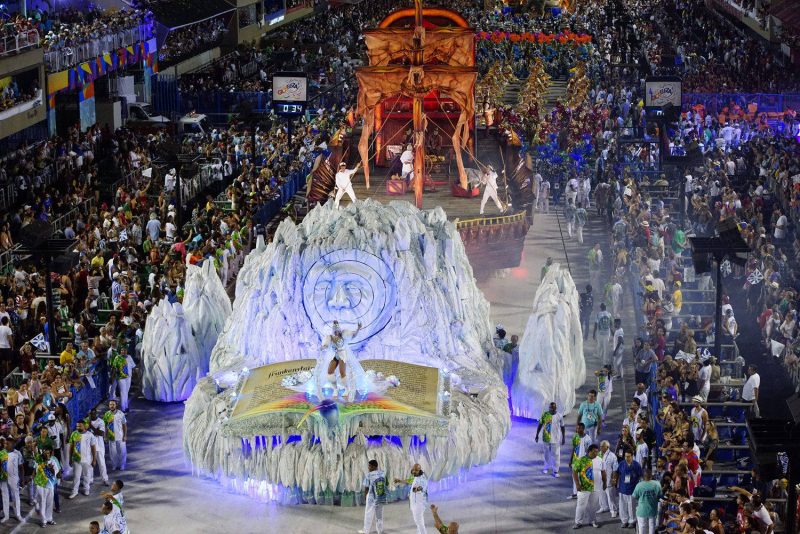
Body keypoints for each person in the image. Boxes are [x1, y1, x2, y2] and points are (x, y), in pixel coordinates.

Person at [572, 443, 601, 529]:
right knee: (581, 505)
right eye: (595, 452)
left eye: (597, 451)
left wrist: (604, 481)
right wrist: (577, 484)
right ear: (589, 451)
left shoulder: (599, 459)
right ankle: (578, 522)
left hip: (596, 487)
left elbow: (603, 471)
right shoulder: (581, 460)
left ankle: (592, 521)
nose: (596, 453)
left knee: (594, 506)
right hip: (584, 488)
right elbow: (574, 471)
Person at [394, 464, 427, 534]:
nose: (414, 471)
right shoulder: (415, 477)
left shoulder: (422, 478)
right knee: (418, 522)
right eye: (413, 470)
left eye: (416, 470)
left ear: (419, 470)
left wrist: (417, 489)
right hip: (414, 504)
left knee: (419, 522)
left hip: (419, 504)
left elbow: (423, 487)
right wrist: (399, 481)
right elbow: (408, 481)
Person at [68, 419, 96, 499]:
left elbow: (93, 448)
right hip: (76, 460)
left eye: (79, 426)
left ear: (84, 426)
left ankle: (86, 489)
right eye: (77, 426)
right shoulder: (74, 434)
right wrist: (70, 459)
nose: (78, 427)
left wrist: (94, 459)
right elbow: (71, 447)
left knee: (87, 475)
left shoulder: (90, 435)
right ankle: (74, 491)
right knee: (76, 476)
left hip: (87, 459)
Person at [535, 402, 565, 477]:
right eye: (550, 407)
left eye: (552, 408)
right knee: (546, 454)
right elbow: (540, 424)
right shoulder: (545, 414)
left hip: (556, 438)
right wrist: (537, 435)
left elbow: (562, 427)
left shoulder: (559, 416)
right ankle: (546, 467)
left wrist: (563, 437)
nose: (551, 409)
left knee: (556, 454)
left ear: (555, 408)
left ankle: (555, 471)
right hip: (546, 438)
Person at [34, 447, 60, 527]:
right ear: (43, 453)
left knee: (50, 503)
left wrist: (51, 469)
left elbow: (55, 472)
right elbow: (35, 470)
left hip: (50, 485)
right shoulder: (39, 461)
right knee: (42, 502)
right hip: (41, 485)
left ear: (51, 453)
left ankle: (49, 519)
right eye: (45, 453)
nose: (47, 455)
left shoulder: (53, 462)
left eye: (48, 453)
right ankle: (43, 521)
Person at [616, 450, 642, 529]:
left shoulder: (636, 465)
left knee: (632, 506)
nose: (627, 458)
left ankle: (632, 521)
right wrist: (615, 482)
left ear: (632, 456)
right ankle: (624, 521)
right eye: (625, 456)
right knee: (622, 506)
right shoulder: (621, 464)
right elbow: (617, 473)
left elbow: (641, 476)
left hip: (632, 489)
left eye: (628, 456)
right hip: (623, 489)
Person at [359, 459, 386, 534]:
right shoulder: (382, 473)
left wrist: (365, 496)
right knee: (379, 515)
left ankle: (366, 531)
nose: (368, 468)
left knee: (368, 514)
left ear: (374, 466)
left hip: (371, 497)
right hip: (381, 497)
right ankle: (380, 530)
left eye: (370, 466)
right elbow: (385, 484)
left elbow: (366, 487)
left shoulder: (369, 475)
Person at [631, 470, 662, 534]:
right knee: (652, 526)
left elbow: (635, 496)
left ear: (643, 477)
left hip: (642, 510)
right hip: (653, 510)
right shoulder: (657, 484)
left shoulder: (639, 485)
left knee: (642, 527)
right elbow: (660, 496)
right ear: (651, 476)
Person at [1, 437, 23, 523]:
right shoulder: (1, 453)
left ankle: (18, 515)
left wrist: (22, 479)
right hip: (3, 478)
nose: (5, 445)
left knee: (15, 496)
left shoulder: (18, 453)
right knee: (5, 496)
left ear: (13, 444)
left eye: (7, 444)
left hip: (14, 478)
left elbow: (21, 467)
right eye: (5, 443)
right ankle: (6, 516)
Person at [569, 423, 593, 499]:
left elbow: (590, 452)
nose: (577, 430)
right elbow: (573, 448)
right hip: (575, 461)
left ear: (583, 429)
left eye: (579, 428)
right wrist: (571, 460)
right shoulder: (575, 436)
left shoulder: (588, 439)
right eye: (577, 428)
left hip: (584, 462)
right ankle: (575, 493)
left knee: (583, 477)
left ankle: (583, 493)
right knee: (574, 477)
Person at [104, 400, 127, 471]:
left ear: (116, 405)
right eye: (110, 404)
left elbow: (124, 425)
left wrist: (125, 435)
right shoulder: (107, 414)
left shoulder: (121, 414)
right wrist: (105, 436)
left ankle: (122, 465)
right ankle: (114, 465)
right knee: (113, 453)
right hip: (111, 437)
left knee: (122, 451)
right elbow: (105, 426)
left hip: (120, 436)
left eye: (113, 404)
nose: (111, 406)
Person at [89, 408, 109, 486]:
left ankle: (105, 479)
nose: (92, 415)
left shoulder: (100, 421)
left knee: (102, 463)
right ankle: (90, 480)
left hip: (99, 446)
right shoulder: (87, 421)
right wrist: (95, 430)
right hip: (89, 447)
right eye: (91, 414)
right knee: (90, 464)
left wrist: (91, 426)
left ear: (96, 413)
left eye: (94, 413)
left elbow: (101, 433)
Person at [598, 440, 618, 518]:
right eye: (600, 446)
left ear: (607, 447)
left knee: (610, 496)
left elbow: (615, 469)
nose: (601, 448)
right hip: (600, 478)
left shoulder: (612, 456)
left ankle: (614, 510)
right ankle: (603, 507)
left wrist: (614, 479)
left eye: (602, 446)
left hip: (609, 479)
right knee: (601, 494)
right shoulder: (599, 454)